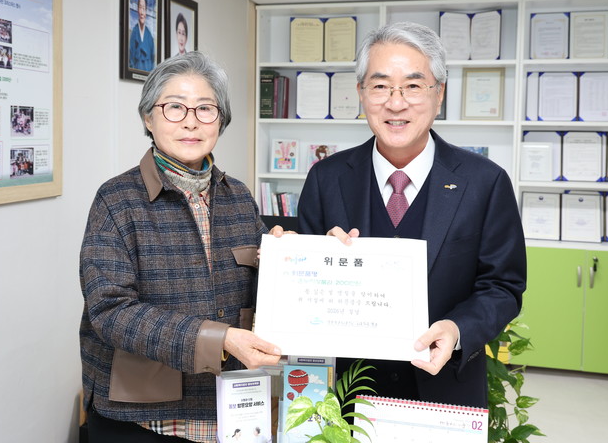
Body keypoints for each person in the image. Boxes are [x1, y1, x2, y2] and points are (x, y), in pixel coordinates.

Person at [297, 22, 526, 408]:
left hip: (446, 391)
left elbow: (503, 286)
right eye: (380, 86)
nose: (396, 103)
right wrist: (314, 261)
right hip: (346, 398)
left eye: (414, 86)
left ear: (439, 94)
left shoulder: (485, 182)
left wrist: (457, 328)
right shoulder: (326, 178)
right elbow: (305, 290)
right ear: (361, 93)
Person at [80, 51, 284, 442]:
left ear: (220, 120)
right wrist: (219, 340)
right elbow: (110, 311)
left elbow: (261, 288)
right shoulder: (116, 200)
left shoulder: (239, 197)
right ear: (148, 117)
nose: (191, 121)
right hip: (144, 418)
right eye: (174, 107)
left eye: (205, 108)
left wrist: (287, 258)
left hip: (230, 412)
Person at [129, 0, 156, 72]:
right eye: (140, 8)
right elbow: (131, 58)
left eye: (144, 8)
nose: (142, 12)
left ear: (146, 12)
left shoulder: (149, 36)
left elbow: (153, 58)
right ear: (137, 10)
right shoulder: (134, 32)